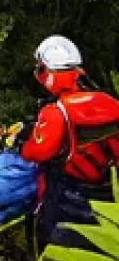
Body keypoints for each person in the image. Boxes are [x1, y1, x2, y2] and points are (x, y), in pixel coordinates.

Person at [19, 35, 119, 249]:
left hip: (71, 195)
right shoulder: (108, 101)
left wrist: (23, 142)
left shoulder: (56, 112)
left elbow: (37, 152)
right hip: (108, 189)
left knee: (52, 231)